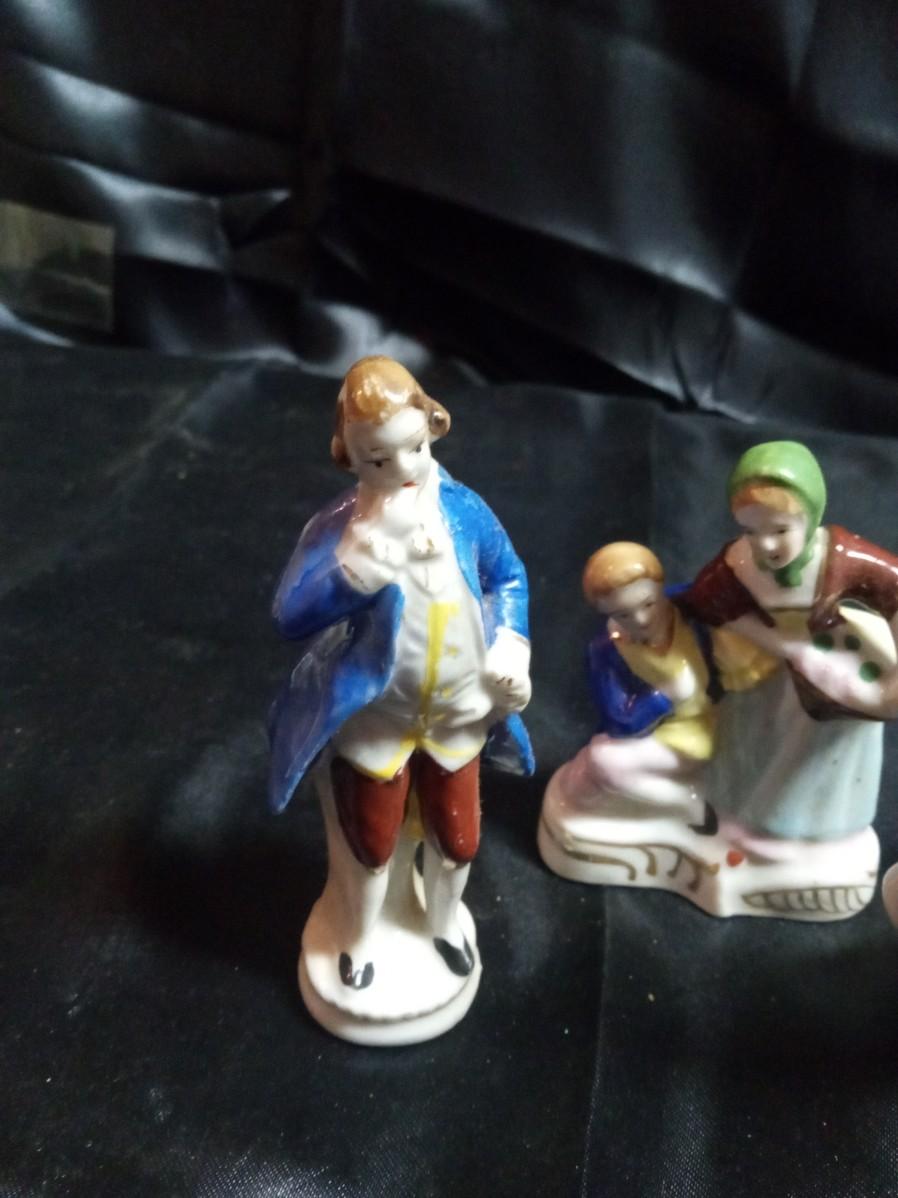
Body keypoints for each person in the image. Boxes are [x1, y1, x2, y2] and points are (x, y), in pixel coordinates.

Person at [269, 356, 533, 994]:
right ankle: (360, 937)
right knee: (371, 842)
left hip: (459, 713)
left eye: (415, 447)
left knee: (459, 840)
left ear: (434, 426)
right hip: (380, 716)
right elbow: (289, 613)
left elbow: (507, 576)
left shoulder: (464, 509)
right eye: (379, 460)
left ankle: (443, 924)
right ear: (349, 457)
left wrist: (510, 644)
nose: (405, 469)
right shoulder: (341, 529)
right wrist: (352, 573)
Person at [682, 440, 898, 858]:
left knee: (820, 751)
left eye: (780, 530)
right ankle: (743, 819)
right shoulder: (738, 563)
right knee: (753, 744)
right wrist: (782, 645)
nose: (765, 545)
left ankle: (811, 834)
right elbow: (706, 602)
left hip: (833, 669)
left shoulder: (840, 557)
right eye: (751, 531)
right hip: (766, 669)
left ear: (811, 517)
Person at [555, 542, 719, 833]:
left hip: (714, 719)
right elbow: (619, 720)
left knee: (602, 759)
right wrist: (665, 696)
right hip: (672, 735)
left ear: (660, 587)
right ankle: (685, 802)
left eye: (648, 604)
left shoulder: (689, 606)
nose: (641, 619)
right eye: (623, 614)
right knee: (601, 758)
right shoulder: (605, 651)